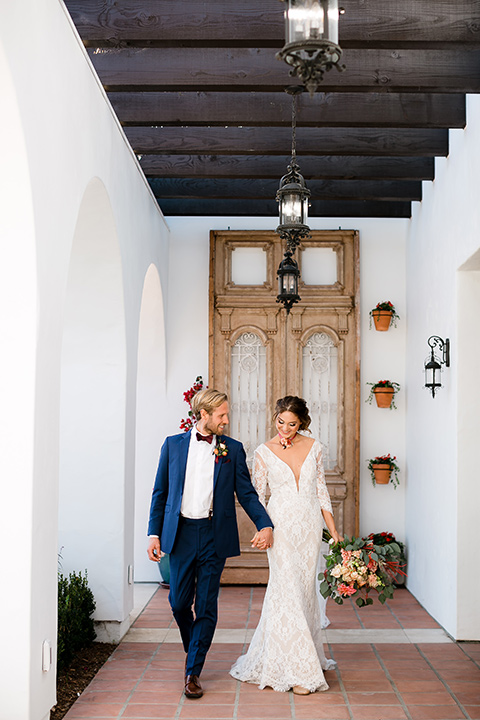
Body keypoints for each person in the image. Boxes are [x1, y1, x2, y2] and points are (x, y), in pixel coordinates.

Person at [147, 388, 273, 700]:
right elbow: (160, 492)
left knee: (205, 604)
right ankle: (196, 649)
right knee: (178, 603)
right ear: (203, 415)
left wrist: (265, 523)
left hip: (214, 535)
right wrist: (154, 533)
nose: (226, 421)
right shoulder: (172, 446)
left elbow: (246, 493)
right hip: (181, 534)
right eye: (221, 415)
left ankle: (193, 672)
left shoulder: (232, 449)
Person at [230, 395, 342, 695]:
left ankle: (304, 657)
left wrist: (334, 532)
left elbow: (321, 492)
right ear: (275, 417)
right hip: (280, 528)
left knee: (305, 590)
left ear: (301, 423)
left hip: (308, 529)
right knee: (285, 589)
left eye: (292, 424)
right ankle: (298, 671)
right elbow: (256, 496)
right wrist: (263, 528)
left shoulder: (315, 447)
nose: (285, 429)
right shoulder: (263, 452)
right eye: (281, 422)